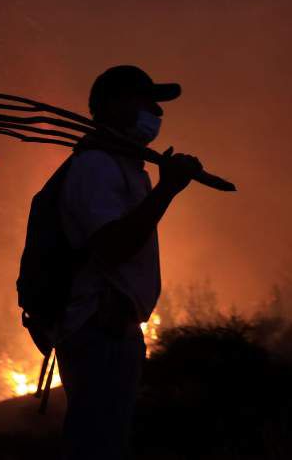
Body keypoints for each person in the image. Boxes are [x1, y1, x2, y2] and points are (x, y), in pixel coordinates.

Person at [55, 64, 204, 459]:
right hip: (98, 331)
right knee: (97, 446)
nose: (156, 112)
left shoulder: (125, 167)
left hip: (116, 333)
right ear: (113, 105)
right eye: (145, 101)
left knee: (108, 442)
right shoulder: (95, 167)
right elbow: (112, 247)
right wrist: (168, 189)